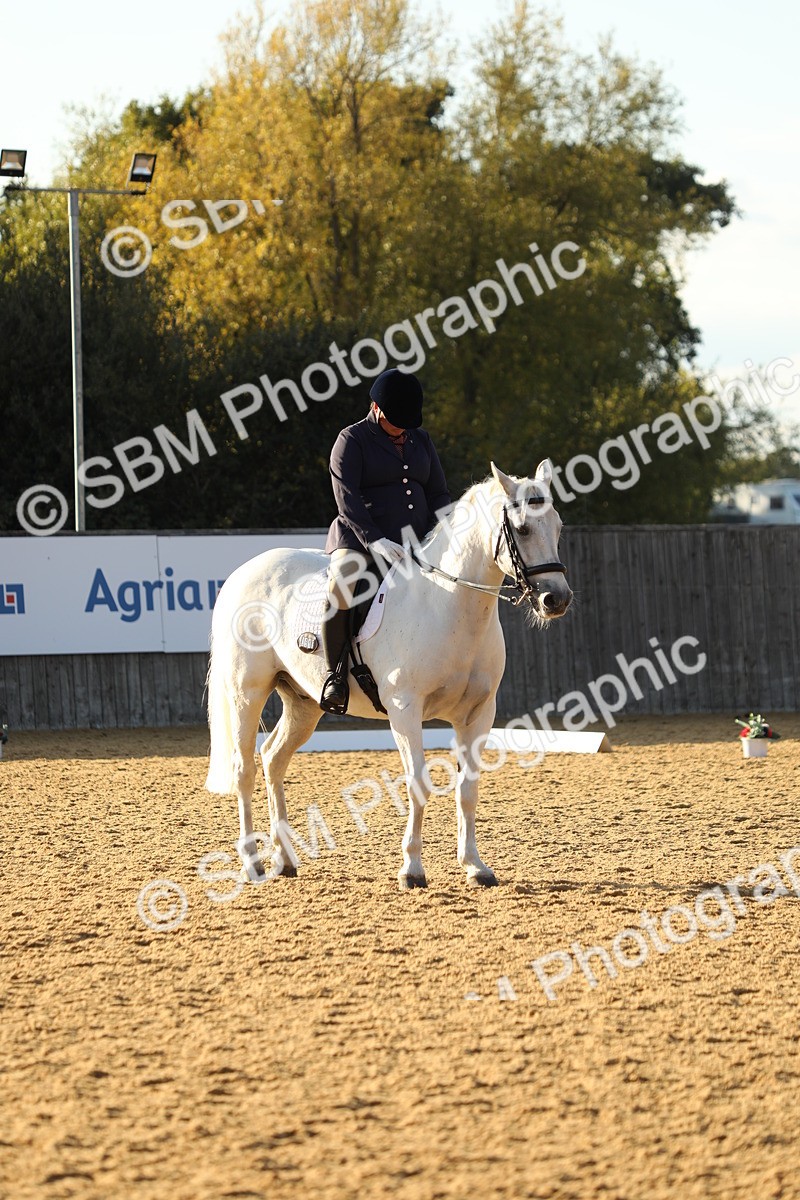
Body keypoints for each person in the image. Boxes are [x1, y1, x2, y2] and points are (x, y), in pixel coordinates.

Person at [320, 368, 451, 712]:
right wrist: (374, 540)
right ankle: (334, 676)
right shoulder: (351, 440)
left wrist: (448, 531)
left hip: (417, 539)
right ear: (376, 409)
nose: (404, 430)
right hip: (361, 540)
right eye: (397, 422)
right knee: (343, 583)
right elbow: (346, 497)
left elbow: (437, 492)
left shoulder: (420, 439)